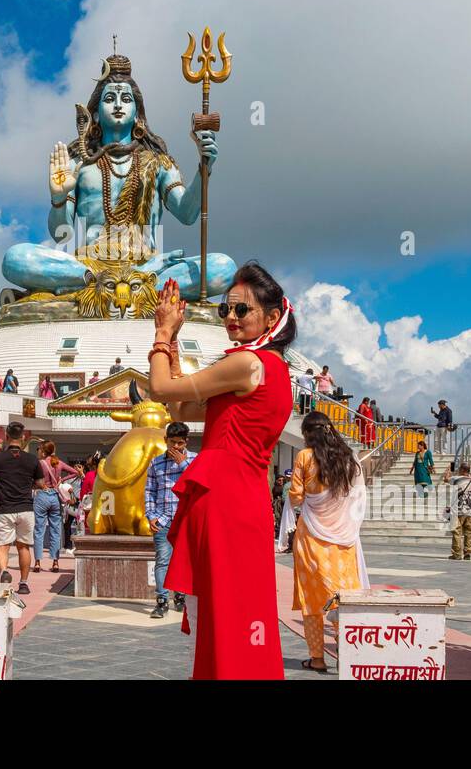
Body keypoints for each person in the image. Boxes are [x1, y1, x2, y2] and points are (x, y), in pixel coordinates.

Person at [148, 261, 296, 680]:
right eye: (225, 310)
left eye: (241, 311)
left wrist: (160, 334)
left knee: (226, 615)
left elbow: (160, 389)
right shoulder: (270, 371)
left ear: (272, 317)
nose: (231, 318)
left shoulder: (249, 364)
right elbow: (180, 406)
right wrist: (173, 345)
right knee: (234, 612)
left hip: (225, 499)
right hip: (240, 499)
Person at [290, 412, 369, 673]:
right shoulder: (348, 458)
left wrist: (311, 501)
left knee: (312, 600)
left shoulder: (304, 457)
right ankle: (348, 654)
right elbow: (356, 495)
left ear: (308, 434)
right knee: (342, 598)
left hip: (311, 536)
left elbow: (295, 497)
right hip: (344, 538)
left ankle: (317, 658)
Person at [0, 421, 43, 595]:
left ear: (6, 437)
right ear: (23, 437)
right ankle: (23, 583)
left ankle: (4, 571)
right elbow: (40, 483)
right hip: (25, 508)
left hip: (4, 509)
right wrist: (27, 484)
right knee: (23, 547)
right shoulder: (32, 460)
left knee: (2, 546)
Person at [144, 421, 196, 618]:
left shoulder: (194, 460)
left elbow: (197, 484)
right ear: (165, 440)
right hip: (163, 519)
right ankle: (162, 600)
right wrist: (151, 515)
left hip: (186, 519)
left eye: (180, 443)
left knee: (184, 560)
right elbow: (149, 490)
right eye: (172, 442)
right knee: (162, 561)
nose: (175, 447)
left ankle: (181, 596)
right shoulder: (155, 462)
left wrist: (182, 463)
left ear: (186, 442)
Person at [35, 442, 78, 572]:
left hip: (42, 495)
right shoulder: (58, 463)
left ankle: (37, 562)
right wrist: (62, 480)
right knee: (56, 530)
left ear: (43, 451)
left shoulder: (40, 463)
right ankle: (55, 562)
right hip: (55, 497)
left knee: (39, 530)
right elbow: (76, 472)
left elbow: (34, 480)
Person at [444, 463, 471, 560]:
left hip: (457, 512)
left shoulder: (456, 479)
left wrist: (448, 470)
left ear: (462, 470)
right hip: (469, 512)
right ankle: (467, 552)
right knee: (469, 532)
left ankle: (457, 554)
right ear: (468, 471)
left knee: (457, 532)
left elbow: (445, 479)